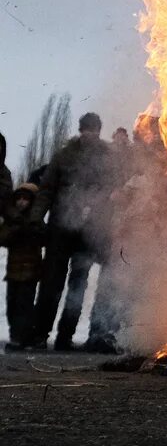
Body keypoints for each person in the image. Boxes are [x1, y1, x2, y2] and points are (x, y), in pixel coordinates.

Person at [30, 112, 114, 351]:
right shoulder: (64, 155)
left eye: (94, 129)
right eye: (86, 129)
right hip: (60, 229)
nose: (90, 133)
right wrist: (37, 218)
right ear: (80, 130)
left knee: (78, 286)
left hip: (87, 234)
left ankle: (65, 337)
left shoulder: (108, 157)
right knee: (50, 285)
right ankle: (40, 334)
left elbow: (112, 190)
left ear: (99, 130)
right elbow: (46, 190)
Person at [0, 183, 47, 351]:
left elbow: (44, 238)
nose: (21, 202)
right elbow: (3, 238)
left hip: (30, 273)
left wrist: (32, 231)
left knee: (24, 307)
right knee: (12, 305)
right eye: (18, 198)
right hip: (13, 273)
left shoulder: (36, 222)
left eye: (25, 199)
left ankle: (22, 338)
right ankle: (16, 336)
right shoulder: (12, 221)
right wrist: (15, 229)